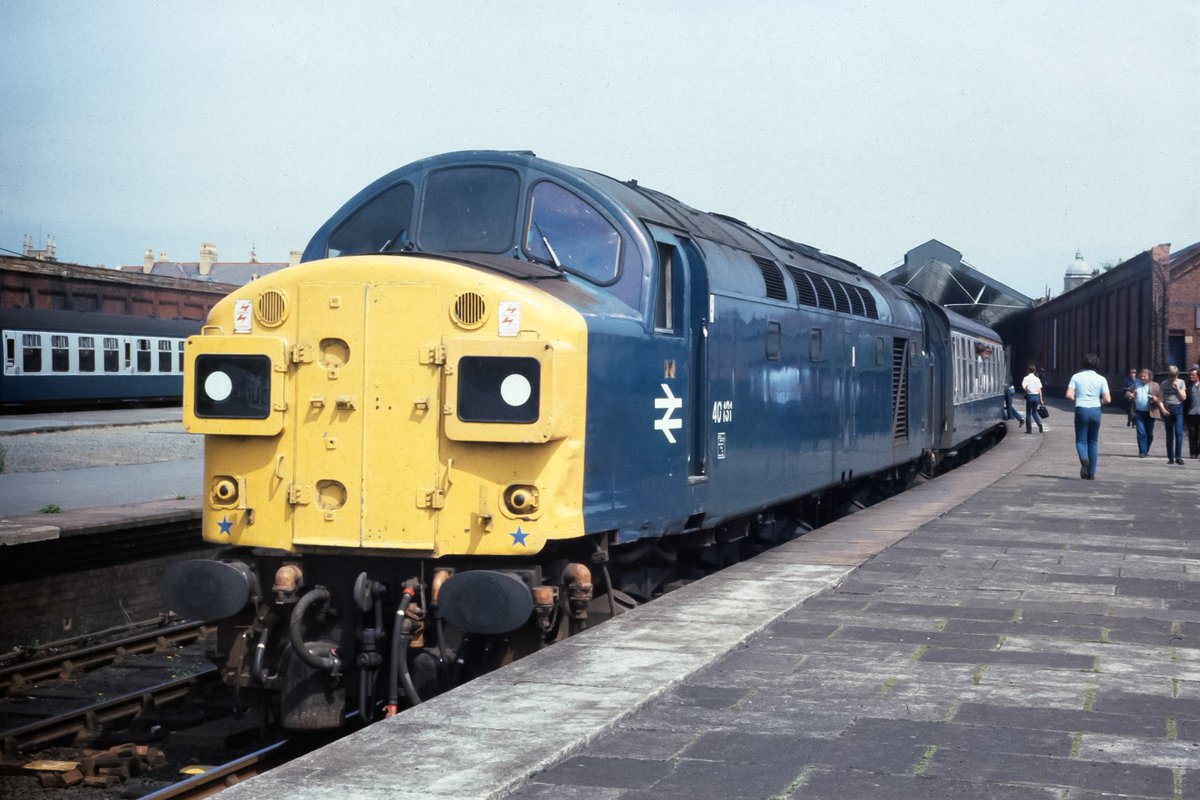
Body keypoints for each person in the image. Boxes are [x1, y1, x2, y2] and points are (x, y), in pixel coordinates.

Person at [1066, 353, 1111, 479]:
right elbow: (1107, 399)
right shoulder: (1101, 379)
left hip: (1081, 409)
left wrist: (1078, 400)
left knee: (1081, 440)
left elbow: (1069, 395)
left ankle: (1084, 460)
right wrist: (1098, 402)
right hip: (1095, 410)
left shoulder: (1076, 377)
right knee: (1093, 441)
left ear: (1083, 364)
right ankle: (1091, 473)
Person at [1127, 368, 1163, 458]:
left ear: (1149, 377)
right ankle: (1142, 452)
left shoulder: (1156, 385)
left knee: (1149, 433)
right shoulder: (1136, 385)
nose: (1142, 378)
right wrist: (1129, 394)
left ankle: (1146, 449)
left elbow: (1161, 399)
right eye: (1141, 376)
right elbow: (1127, 392)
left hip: (1151, 412)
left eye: (1144, 376)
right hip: (1139, 412)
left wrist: (1155, 399)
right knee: (1141, 432)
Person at [1161, 365, 1187, 465]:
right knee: (1169, 434)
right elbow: (1160, 399)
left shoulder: (1181, 382)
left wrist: (1177, 389)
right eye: (1171, 376)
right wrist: (1163, 409)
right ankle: (1171, 457)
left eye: (1174, 376)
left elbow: (1184, 397)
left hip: (1178, 408)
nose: (1172, 378)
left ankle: (1178, 457)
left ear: (1177, 375)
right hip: (1168, 409)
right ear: (1168, 375)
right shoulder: (1164, 383)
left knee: (1179, 433)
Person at [1020, 365, 1043, 434]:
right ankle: (1039, 424)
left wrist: (1027, 390)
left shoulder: (1026, 378)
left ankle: (1029, 430)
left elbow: (1023, 386)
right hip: (1036, 396)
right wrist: (1041, 399)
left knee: (1028, 413)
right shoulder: (1037, 379)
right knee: (1035, 412)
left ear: (1028, 370)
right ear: (1035, 371)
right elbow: (1040, 390)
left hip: (1030, 396)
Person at [1186, 368, 1200, 459]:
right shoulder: (1188, 385)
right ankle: (1193, 452)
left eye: (1193, 375)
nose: (1191, 376)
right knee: (1192, 433)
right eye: (1190, 375)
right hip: (1191, 413)